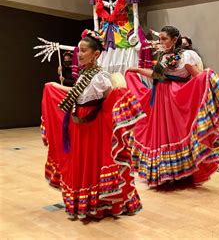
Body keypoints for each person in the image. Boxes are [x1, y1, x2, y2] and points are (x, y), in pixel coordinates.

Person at [41, 30, 144, 219]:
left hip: (93, 127)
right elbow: (78, 94)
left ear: (96, 54)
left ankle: (100, 204)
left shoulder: (100, 76)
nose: (79, 54)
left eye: (84, 50)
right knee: (82, 161)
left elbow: (109, 100)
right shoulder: (86, 73)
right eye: (78, 51)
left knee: (93, 162)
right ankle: (86, 200)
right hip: (80, 124)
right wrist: (54, 87)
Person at [126, 25, 219, 187]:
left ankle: (181, 175)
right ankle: (166, 174)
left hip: (176, 98)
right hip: (161, 98)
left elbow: (197, 77)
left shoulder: (185, 57)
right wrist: (137, 70)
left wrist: (204, 81)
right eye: (160, 39)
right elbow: (157, 75)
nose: (161, 42)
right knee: (163, 135)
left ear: (174, 40)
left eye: (165, 39)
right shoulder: (164, 57)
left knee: (176, 133)